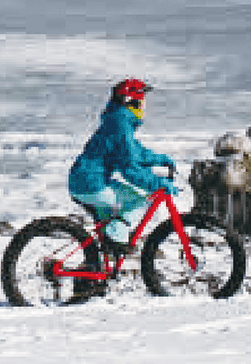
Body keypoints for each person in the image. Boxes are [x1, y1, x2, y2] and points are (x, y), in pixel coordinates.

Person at [69, 78, 177, 255]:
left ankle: (97, 269)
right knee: (138, 202)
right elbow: (129, 169)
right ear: (131, 101)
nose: (144, 107)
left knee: (107, 230)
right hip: (92, 184)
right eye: (142, 101)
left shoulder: (118, 121)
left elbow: (133, 151)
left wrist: (160, 159)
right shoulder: (121, 125)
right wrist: (157, 183)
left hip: (86, 180)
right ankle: (115, 240)